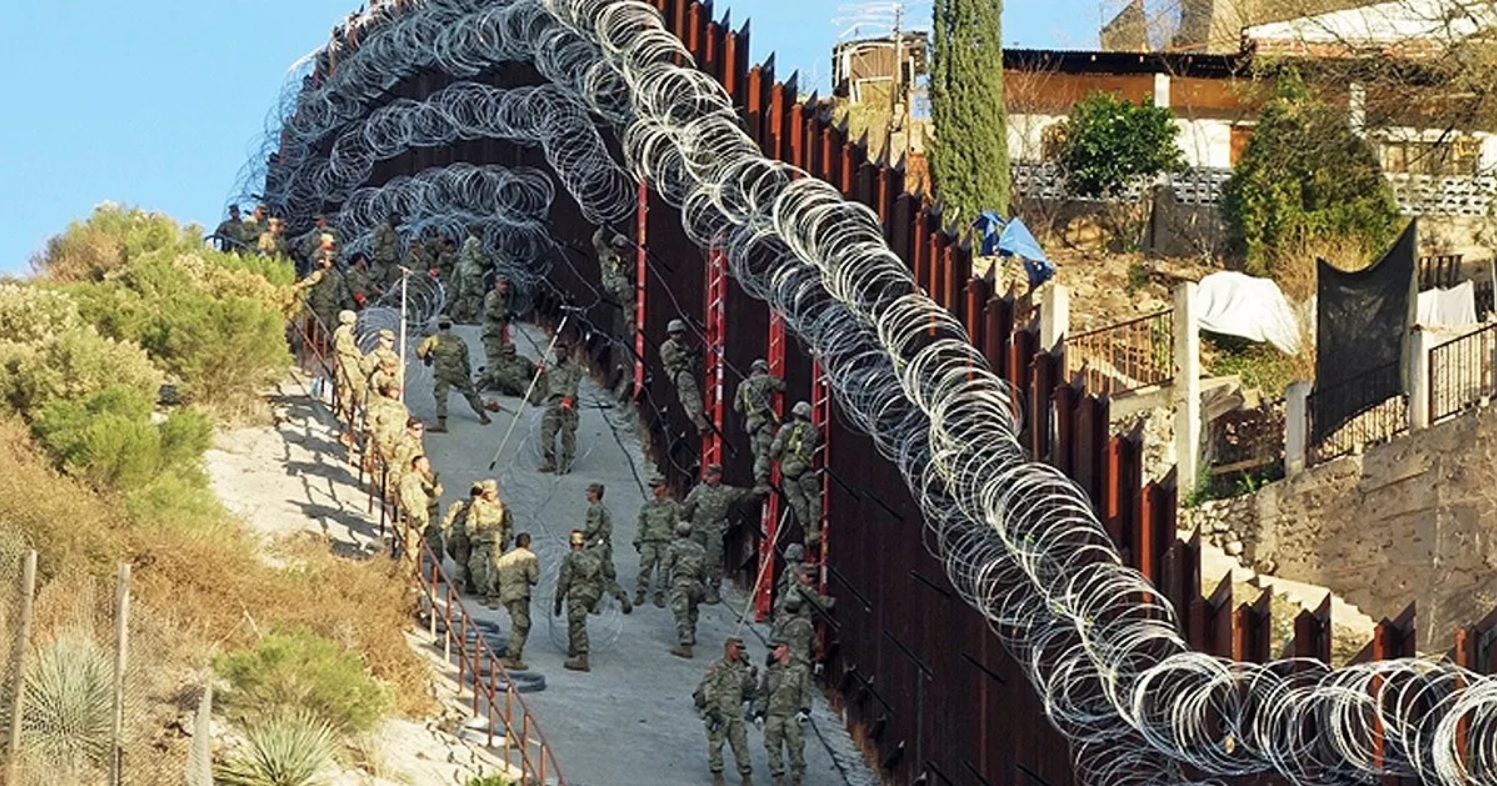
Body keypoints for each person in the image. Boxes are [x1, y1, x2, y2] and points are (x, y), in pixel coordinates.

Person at [681, 464, 769, 604]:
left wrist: (758, 492)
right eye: (706, 475)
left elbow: (744, 495)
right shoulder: (698, 491)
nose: (706, 478)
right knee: (693, 558)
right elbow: (686, 508)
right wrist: (683, 526)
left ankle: (713, 589)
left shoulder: (726, 492)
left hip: (714, 531)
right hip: (697, 530)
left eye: (710, 475)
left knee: (714, 560)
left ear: (717, 476)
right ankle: (694, 588)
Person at [694, 637, 757, 785]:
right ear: (727, 648)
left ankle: (746, 775)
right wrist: (712, 708)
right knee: (716, 744)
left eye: (741, 649)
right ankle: (717, 774)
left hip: (736, 713)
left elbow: (749, 690)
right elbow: (709, 687)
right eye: (736, 648)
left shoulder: (741, 669)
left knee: (740, 745)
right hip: (719, 712)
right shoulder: (717, 666)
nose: (739, 652)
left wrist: (752, 677)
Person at [415, 316, 494, 433]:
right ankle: (483, 416)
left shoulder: (433, 339)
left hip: (442, 373)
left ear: (439, 326)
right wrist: (467, 373)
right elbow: (465, 359)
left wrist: (427, 356)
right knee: (470, 394)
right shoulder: (458, 340)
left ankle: (441, 424)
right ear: (450, 326)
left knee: (441, 397)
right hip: (458, 371)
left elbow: (419, 352)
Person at [752, 640, 814, 786]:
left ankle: (797, 775)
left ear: (784, 648)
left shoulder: (800, 670)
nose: (773, 652)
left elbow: (806, 691)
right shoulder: (771, 671)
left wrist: (805, 710)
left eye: (776, 648)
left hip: (792, 713)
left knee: (796, 746)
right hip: (773, 713)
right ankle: (778, 775)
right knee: (772, 745)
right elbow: (763, 693)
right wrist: (759, 713)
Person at [770, 401, 821, 548]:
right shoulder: (813, 430)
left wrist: (778, 459)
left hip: (787, 470)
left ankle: (806, 532)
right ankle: (814, 530)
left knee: (797, 502)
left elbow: (775, 449)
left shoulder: (785, 429)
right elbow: (818, 441)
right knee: (813, 498)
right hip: (804, 468)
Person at [554, 529, 606, 672]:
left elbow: (564, 580)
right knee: (577, 621)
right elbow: (602, 581)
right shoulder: (593, 558)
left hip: (577, 594)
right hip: (592, 594)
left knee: (577, 623)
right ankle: (573, 649)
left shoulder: (571, 557)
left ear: (571, 543)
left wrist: (558, 599)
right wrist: (596, 600)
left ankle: (582, 657)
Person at [581, 483, 633, 613]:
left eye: (589, 492)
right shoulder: (605, 509)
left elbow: (592, 527)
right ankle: (622, 597)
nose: (587, 494)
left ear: (595, 494)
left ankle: (593, 605)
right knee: (607, 576)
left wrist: (581, 536)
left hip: (595, 546)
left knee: (593, 575)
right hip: (605, 545)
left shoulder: (594, 509)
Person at [734, 358, 785, 485]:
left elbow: (737, 407)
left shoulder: (743, 385)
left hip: (750, 423)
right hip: (763, 421)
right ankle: (762, 481)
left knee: (756, 454)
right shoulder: (766, 379)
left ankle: (758, 480)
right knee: (764, 452)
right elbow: (782, 387)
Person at [633, 474, 680, 608]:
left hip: (665, 541)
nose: (654, 490)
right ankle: (640, 592)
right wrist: (638, 539)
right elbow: (641, 523)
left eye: (656, 486)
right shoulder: (648, 506)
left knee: (663, 570)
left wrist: (675, 542)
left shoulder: (672, 506)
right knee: (645, 567)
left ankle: (660, 594)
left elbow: (676, 524)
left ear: (664, 487)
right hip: (649, 540)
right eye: (653, 487)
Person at [537, 342, 584, 474]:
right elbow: (545, 387)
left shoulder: (573, 368)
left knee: (567, 433)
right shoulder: (552, 369)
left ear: (567, 352)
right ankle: (550, 461)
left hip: (567, 402)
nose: (559, 354)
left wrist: (568, 400)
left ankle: (567, 462)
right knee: (547, 429)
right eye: (557, 351)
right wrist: (541, 374)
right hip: (553, 402)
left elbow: (572, 385)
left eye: (562, 351)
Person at [495, 531, 540, 671]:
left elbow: (494, 580)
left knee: (518, 622)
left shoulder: (504, 558)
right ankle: (512, 657)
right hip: (519, 594)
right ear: (528, 544)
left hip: (506, 594)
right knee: (522, 625)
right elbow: (534, 579)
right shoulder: (529, 557)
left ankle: (514, 650)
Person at [664, 520, 708, 658]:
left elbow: (665, 567)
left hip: (681, 582)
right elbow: (704, 570)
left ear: (677, 533)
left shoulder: (674, 547)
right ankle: (692, 633)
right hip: (696, 583)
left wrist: (663, 585)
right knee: (692, 609)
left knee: (681, 612)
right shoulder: (700, 549)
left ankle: (686, 645)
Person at [466, 479, 512, 607]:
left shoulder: (502, 506)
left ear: (496, 492)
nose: (489, 495)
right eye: (486, 492)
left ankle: (493, 594)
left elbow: (508, 525)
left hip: (496, 541)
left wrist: (507, 537)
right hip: (480, 541)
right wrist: (472, 535)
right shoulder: (477, 505)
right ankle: (482, 590)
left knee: (496, 569)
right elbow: (471, 522)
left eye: (491, 492)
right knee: (475, 566)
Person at [660, 318, 709, 434]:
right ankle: (702, 425)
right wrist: (688, 355)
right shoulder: (667, 347)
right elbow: (670, 359)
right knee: (692, 399)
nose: (677, 336)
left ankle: (701, 425)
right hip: (681, 375)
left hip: (685, 374)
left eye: (679, 333)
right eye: (674, 333)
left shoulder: (683, 345)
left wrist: (695, 356)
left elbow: (690, 361)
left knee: (688, 400)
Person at [397, 455, 442, 565]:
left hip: (422, 519)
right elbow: (406, 499)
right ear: (417, 465)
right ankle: (404, 577)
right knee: (410, 550)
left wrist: (435, 487)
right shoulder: (408, 479)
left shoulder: (422, 480)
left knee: (416, 550)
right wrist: (413, 516)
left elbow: (430, 494)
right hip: (412, 520)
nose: (428, 466)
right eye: (425, 463)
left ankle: (406, 574)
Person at [443, 482, 484, 593]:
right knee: (471, 561)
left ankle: (461, 585)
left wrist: (444, 530)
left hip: (458, 536)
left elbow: (448, 519)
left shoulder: (460, 504)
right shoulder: (482, 506)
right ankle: (464, 585)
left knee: (461, 561)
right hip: (471, 536)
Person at [593, 225, 633, 336]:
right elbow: (596, 241)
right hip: (610, 282)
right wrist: (602, 228)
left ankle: (630, 321)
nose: (619, 250)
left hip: (621, 284)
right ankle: (630, 319)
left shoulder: (625, 259)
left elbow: (627, 271)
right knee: (623, 285)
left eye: (622, 248)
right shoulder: (605, 253)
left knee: (627, 294)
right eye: (618, 247)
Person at [331, 310, 365, 433]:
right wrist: (354, 352)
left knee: (355, 385)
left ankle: (349, 411)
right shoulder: (343, 332)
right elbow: (341, 347)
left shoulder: (347, 330)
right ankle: (344, 414)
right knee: (346, 387)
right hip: (345, 363)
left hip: (350, 362)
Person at [770, 594, 817, 668]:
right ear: (799, 609)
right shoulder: (807, 624)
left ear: (785, 607)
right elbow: (815, 645)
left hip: (783, 662)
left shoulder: (779, 622)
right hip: (802, 664)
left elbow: (773, 640)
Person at [453, 226, 487, 322]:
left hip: (465, 271)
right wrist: (487, 261)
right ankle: (471, 317)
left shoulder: (467, 241)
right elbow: (478, 257)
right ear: (476, 232)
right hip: (473, 271)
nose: (482, 235)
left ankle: (455, 313)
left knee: (464, 294)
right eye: (481, 233)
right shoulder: (475, 242)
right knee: (478, 294)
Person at [481, 276, 512, 372]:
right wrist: (502, 315)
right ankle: (489, 379)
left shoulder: (500, 297)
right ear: (496, 284)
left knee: (500, 355)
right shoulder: (492, 296)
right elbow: (489, 311)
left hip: (497, 331)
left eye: (506, 284)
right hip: (491, 331)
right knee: (493, 357)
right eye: (502, 284)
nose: (504, 287)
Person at [371, 213, 402, 291]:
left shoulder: (395, 232)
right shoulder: (382, 230)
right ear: (391, 219)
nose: (399, 220)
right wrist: (379, 258)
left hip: (392, 261)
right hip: (382, 261)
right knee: (376, 279)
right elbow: (377, 245)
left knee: (392, 282)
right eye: (397, 218)